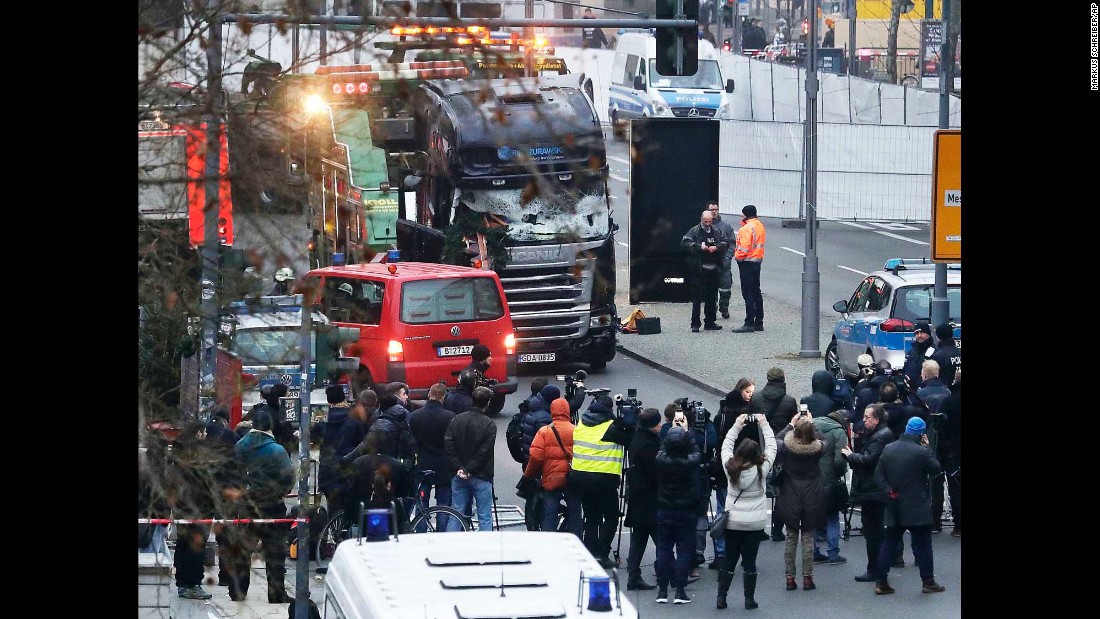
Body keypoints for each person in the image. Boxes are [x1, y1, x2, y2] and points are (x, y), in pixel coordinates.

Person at [872, 416, 946, 595]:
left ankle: (881, 580)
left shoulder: (889, 449)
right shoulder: (921, 452)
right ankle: (928, 581)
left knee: (889, 542)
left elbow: (878, 476)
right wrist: (927, 448)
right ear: (921, 434)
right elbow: (936, 469)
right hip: (916, 505)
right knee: (923, 544)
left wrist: (890, 492)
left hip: (895, 503)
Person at [233, 408, 295, 603]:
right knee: (275, 553)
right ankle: (276, 593)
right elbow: (288, 478)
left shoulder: (240, 446)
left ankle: (238, 591)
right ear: (269, 427)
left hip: (247, 505)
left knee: (244, 550)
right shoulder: (277, 450)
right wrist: (281, 493)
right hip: (272, 507)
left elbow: (235, 474)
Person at [569, 394, 627, 568]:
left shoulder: (581, 424)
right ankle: (601, 554)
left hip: (580, 477)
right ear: (609, 410)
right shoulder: (611, 427)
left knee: (592, 517)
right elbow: (630, 435)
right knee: (611, 517)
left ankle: (590, 551)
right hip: (604, 479)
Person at [842, 403, 894, 583]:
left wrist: (850, 456)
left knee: (873, 531)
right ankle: (878, 567)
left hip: (872, 490)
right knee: (874, 531)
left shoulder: (880, 437)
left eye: (867, 417)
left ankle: (875, 569)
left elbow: (869, 459)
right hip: (871, 489)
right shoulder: (879, 434)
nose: (864, 420)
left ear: (877, 419)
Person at [166, 420, 217, 600]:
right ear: (198, 434)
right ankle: (192, 583)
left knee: (183, 544)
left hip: (182, 507)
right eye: (203, 433)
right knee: (196, 547)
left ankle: (182, 581)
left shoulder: (178, 453)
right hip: (199, 507)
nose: (205, 436)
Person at [775, 411, 825, 592]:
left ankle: (790, 577)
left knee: (791, 536)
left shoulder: (787, 446)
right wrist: (812, 424)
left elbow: (777, 439)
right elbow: (823, 439)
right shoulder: (818, 448)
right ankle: (808, 577)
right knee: (808, 536)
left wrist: (790, 424)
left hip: (790, 493)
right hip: (812, 493)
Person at [654, 423, 701, 605]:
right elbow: (696, 449)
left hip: (665, 508)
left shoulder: (661, 460)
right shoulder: (691, 461)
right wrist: (687, 433)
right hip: (686, 510)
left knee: (664, 549)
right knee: (683, 550)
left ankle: (662, 590)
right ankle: (680, 590)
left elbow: (662, 447)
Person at [523, 397, 582, 538]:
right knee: (575, 512)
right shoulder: (577, 431)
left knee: (550, 513)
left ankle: (549, 543)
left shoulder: (545, 432)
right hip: (572, 478)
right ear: (567, 411)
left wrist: (529, 474)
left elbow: (536, 457)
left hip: (551, 478)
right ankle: (577, 542)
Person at [444, 386, 498, 531]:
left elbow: (449, 445)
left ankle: (451, 545)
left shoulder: (456, 419)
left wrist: (459, 467)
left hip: (459, 475)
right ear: (487, 403)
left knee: (456, 513)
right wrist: (469, 469)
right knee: (484, 516)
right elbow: (484, 451)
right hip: (481, 475)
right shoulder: (489, 424)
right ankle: (485, 548)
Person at [409, 383, 456, 530]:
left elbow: (411, 441)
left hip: (423, 464)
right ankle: (441, 533)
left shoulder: (415, 416)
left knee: (422, 502)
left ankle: (421, 531)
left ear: (429, 394)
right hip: (443, 466)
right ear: (443, 397)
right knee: (443, 505)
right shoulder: (450, 417)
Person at [624, 408, 663, 591]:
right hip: (649, 499)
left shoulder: (637, 439)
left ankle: (634, 575)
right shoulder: (649, 445)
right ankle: (670, 574)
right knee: (661, 539)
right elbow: (654, 473)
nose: (660, 426)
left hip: (639, 499)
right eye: (658, 423)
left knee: (638, 540)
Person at [344, 432, 412, 532]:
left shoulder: (358, 463)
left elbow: (351, 491)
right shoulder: (398, 466)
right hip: (390, 512)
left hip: (362, 513)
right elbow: (403, 491)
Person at [811, 409, 850, 565]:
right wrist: (840, 473)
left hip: (811, 479)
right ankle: (833, 553)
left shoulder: (813, 424)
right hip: (829, 480)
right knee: (833, 516)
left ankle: (813, 551)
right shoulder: (839, 432)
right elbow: (840, 460)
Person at [680, 209, 730, 332]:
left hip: (713, 269)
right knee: (697, 298)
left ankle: (710, 322)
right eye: (705, 221)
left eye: (709, 221)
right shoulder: (695, 230)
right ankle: (695, 324)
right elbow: (685, 243)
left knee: (712, 297)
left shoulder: (717, 231)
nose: (707, 224)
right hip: (700, 270)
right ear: (701, 219)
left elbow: (725, 242)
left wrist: (716, 247)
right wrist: (698, 247)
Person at [315, 385, 353, 512]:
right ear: (344, 397)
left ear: (328, 400)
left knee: (333, 509)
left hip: (328, 470)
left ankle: (333, 529)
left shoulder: (321, 415)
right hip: (348, 468)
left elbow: (314, 438)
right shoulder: (353, 416)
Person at [730, 204, 767, 333]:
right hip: (757, 261)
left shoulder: (746, 228)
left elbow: (744, 247)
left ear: (746, 215)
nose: (741, 216)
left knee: (748, 293)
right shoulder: (759, 225)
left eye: (742, 214)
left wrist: (737, 257)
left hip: (747, 263)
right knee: (756, 291)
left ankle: (749, 322)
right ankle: (759, 322)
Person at [935, 370, 961, 537]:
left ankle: (958, 525)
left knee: (956, 488)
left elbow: (940, 426)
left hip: (953, 451)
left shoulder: (949, 401)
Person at [706, 201, 736, 320]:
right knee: (710, 288)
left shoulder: (726, 227)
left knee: (725, 288)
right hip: (709, 264)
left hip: (724, 263)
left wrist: (728, 257)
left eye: (716, 209)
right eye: (711, 209)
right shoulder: (703, 226)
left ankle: (724, 308)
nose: (714, 212)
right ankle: (712, 310)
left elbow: (732, 243)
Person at [752, 367, 798, 438]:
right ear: (783, 379)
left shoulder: (755, 397)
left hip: (760, 439)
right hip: (781, 439)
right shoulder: (790, 401)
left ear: (768, 378)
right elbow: (793, 424)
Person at [901, 322, 935, 390]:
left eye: (922, 333)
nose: (919, 336)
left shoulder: (933, 351)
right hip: (910, 388)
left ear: (928, 334)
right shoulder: (912, 351)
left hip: (925, 389)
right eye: (917, 333)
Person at [930, 323, 961, 388]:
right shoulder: (958, 352)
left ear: (938, 337)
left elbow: (933, 376)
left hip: (945, 390)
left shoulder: (938, 356)